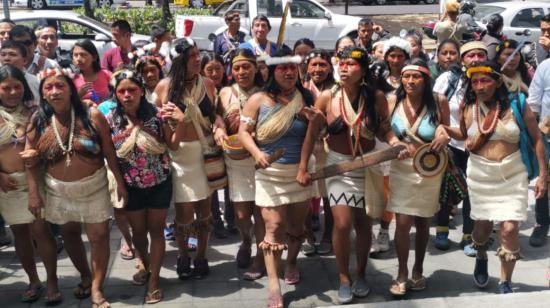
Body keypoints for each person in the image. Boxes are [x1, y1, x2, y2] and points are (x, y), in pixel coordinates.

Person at [304, 46, 407, 304]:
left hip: (368, 166)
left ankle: (360, 274)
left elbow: (385, 129)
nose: (344, 67)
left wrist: (396, 143)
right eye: (342, 63)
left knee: (363, 225)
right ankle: (343, 277)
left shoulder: (376, 97)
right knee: (341, 223)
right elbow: (311, 134)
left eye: (351, 63)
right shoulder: (327, 97)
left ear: (362, 69)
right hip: (339, 166)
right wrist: (303, 167)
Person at [437, 61, 547, 294]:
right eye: (474, 81)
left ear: (497, 82)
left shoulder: (517, 103)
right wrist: (444, 129)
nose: (479, 86)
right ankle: (481, 254)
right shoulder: (469, 106)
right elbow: (464, 135)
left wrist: (543, 176)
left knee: (508, 229)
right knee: (482, 228)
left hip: (513, 173)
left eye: (484, 80)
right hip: (480, 175)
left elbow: (537, 138)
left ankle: (505, 281)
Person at [24, 67, 128, 308]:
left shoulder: (92, 116)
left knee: (100, 237)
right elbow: (30, 161)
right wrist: (33, 193)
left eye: (60, 85)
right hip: (58, 190)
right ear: (43, 93)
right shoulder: (38, 120)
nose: (55, 91)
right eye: (48, 87)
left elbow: (109, 152)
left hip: (93, 187)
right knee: (70, 234)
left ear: (71, 89)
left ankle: (97, 288)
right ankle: (84, 274)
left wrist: (120, 183)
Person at [238, 48, 317, 308]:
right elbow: (244, 132)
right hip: (269, 174)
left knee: (296, 227)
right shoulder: (258, 100)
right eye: (282, 68)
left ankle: (291, 262)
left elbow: (312, 135)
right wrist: (256, 153)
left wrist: (304, 166)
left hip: (299, 172)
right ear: (272, 72)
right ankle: (274, 287)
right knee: (273, 228)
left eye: (292, 67)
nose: (289, 72)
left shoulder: (305, 97)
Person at [107, 69, 185, 304]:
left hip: (159, 183)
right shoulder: (110, 119)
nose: (127, 95)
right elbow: (111, 155)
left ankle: (154, 281)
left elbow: (173, 146)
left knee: (157, 231)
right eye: (122, 91)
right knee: (139, 234)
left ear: (141, 91)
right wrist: (119, 183)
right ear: (116, 94)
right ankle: (147, 265)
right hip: (130, 186)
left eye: (132, 90)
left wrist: (181, 122)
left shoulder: (158, 116)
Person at [154, 38, 223, 280]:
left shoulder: (207, 84)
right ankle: (184, 254)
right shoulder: (164, 87)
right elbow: (156, 122)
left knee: (205, 211)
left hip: (205, 153)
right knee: (183, 214)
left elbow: (215, 116)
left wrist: (220, 127)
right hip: (179, 155)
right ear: (179, 60)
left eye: (198, 54)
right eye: (192, 55)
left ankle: (202, 255)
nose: (197, 59)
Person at [387, 59, 450, 296]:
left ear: (426, 79)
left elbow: (447, 130)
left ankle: (418, 269)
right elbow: (385, 130)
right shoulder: (393, 100)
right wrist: (394, 142)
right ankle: (402, 273)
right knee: (402, 224)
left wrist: (444, 137)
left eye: (417, 77)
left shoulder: (439, 101)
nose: (411, 81)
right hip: (401, 168)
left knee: (423, 222)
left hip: (429, 170)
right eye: (407, 76)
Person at [0, 64, 61, 305]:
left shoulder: (34, 112)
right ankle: (34, 281)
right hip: (8, 186)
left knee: (41, 232)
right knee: (20, 235)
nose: (13, 92)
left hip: (34, 180)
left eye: (17, 87)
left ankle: (53, 282)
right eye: (6, 88)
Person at [432, 41, 488, 254]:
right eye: (470, 55)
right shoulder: (448, 79)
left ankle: (468, 234)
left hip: (479, 145)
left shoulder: (489, 79)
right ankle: (442, 229)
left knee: (473, 189)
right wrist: (441, 133)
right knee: (449, 186)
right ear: (462, 59)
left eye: (480, 55)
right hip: (453, 142)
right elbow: (434, 106)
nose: (475, 59)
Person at [216, 48, 266, 278]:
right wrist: (219, 128)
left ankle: (260, 253)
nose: (242, 71)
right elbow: (216, 116)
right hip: (235, 161)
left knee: (260, 210)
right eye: (237, 67)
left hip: (259, 159)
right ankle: (246, 240)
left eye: (247, 66)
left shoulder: (266, 92)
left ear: (256, 68)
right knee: (242, 215)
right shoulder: (225, 93)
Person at [301, 49, 335, 256]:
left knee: (330, 196)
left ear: (330, 67)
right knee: (305, 194)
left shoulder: (337, 90)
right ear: (307, 67)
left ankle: (328, 235)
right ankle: (307, 236)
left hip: (330, 147)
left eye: (322, 65)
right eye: (314, 65)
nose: (318, 69)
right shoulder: (300, 89)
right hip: (305, 147)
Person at [527, 57, 550, 247]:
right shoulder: (546, 66)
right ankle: (542, 223)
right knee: (544, 181)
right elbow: (534, 102)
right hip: (547, 134)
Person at [72, 39, 113, 105]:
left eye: (83, 55)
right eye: (75, 55)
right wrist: (79, 95)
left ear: (94, 57)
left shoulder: (106, 74)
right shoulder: (73, 79)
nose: (78, 59)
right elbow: (68, 104)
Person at [213, 9, 246, 76]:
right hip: (226, 72)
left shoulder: (244, 36)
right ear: (228, 22)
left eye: (239, 20)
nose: (239, 22)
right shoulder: (220, 38)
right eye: (236, 20)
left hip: (241, 70)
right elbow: (216, 58)